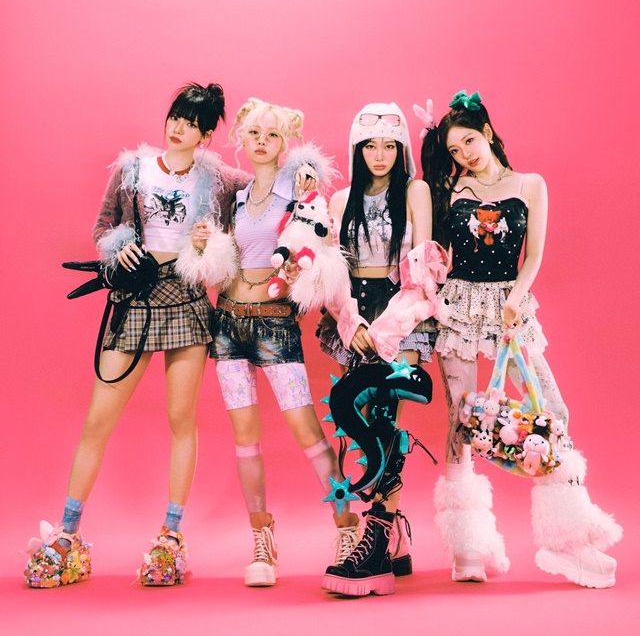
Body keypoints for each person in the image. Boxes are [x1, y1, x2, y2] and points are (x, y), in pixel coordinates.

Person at [23, 82, 259, 588]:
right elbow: (102, 226)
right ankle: (67, 535)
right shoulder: (133, 169)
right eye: (175, 117)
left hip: (186, 299)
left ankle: (170, 537)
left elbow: (265, 183)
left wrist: (216, 237)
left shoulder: (218, 177)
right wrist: (117, 246)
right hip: (135, 299)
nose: (178, 128)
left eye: (191, 123)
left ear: (205, 135)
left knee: (181, 420)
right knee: (97, 421)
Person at [419, 90, 622, 588]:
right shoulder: (452, 189)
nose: (464, 154)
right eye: (454, 150)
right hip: (460, 307)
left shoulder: (530, 184)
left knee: (552, 411)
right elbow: (440, 253)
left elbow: (533, 255)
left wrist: (516, 297)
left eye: (469, 142)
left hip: (510, 305)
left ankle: (567, 540)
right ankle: (468, 548)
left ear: (487, 133)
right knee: (461, 419)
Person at [191, 98, 359, 588]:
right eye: (254, 134)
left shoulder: (296, 185)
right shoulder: (240, 195)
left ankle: (348, 529)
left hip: (275, 325)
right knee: (245, 438)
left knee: (308, 432)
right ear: (241, 138)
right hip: (228, 324)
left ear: (285, 141)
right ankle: (262, 542)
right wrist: (203, 246)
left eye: (272, 135)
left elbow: (316, 231)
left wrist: (303, 271)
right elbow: (227, 256)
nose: (262, 142)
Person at [317, 103, 446, 596]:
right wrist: (352, 322)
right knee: (365, 418)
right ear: (357, 148)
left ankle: (376, 541)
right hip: (357, 314)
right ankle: (393, 539)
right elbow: (332, 274)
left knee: (386, 418)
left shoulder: (414, 191)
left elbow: (423, 268)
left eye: (389, 145)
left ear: (401, 148)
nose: (379, 155)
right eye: (370, 145)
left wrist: (388, 327)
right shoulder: (340, 199)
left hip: (403, 310)